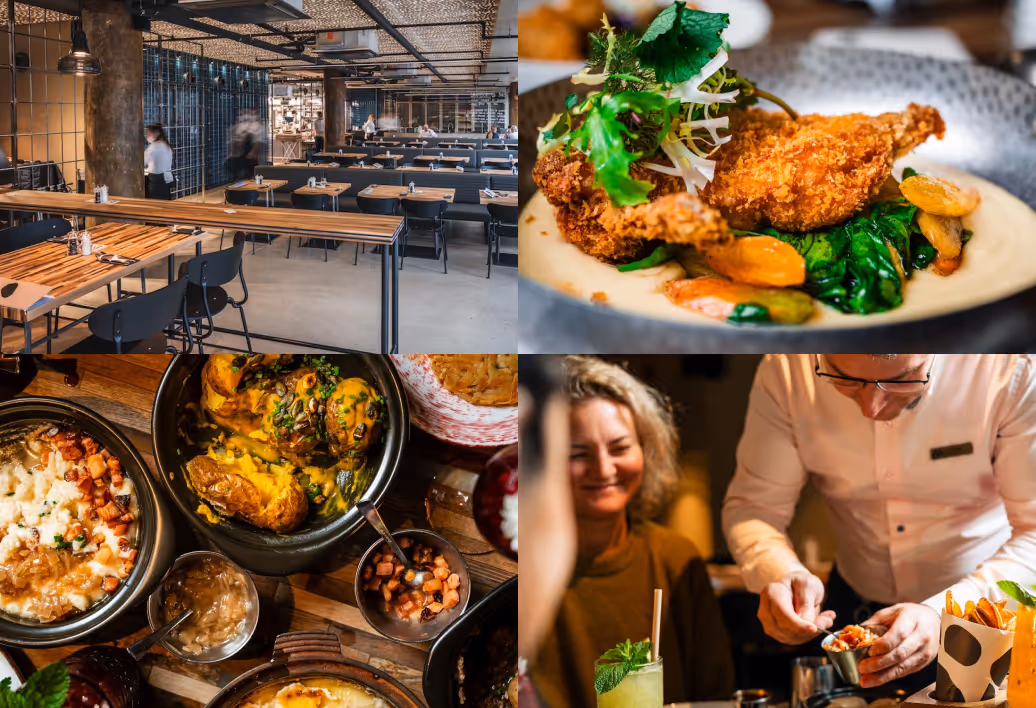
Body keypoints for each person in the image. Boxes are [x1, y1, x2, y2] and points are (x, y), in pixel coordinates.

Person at [723, 354, 1036, 692]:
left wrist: (940, 613)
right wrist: (780, 573)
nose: (870, 409)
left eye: (904, 378)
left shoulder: (1008, 369)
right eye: (843, 379)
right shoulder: (787, 369)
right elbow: (754, 507)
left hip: (983, 619)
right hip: (852, 612)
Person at [534, 356, 735, 708]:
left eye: (621, 448)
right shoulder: (534, 568)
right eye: (577, 452)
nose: (604, 468)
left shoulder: (676, 558)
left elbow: (715, 695)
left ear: (646, 448)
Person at [144, 123, 174, 200]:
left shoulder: (154, 147)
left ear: (156, 134)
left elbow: (143, 161)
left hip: (157, 179)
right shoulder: (166, 145)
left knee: (156, 201)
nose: (147, 136)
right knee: (166, 199)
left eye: (148, 133)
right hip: (168, 175)